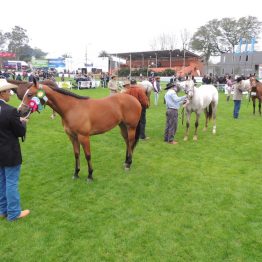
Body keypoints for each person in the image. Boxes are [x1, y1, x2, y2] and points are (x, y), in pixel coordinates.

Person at [0, 79, 30, 221]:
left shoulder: (9, 111)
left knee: (2, 181)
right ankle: (13, 213)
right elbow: (19, 132)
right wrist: (22, 124)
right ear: (2, 94)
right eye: (8, 91)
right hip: (10, 152)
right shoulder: (10, 111)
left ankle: (3, 210)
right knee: (11, 182)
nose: (10, 94)